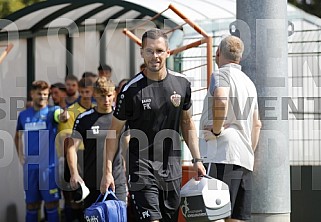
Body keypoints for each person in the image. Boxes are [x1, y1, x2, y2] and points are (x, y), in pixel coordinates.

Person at [100, 28, 206, 222]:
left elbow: (187, 122)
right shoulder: (131, 90)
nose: (154, 56)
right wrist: (107, 172)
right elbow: (113, 132)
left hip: (171, 169)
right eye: (149, 51)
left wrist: (197, 159)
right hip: (142, 168)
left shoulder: (182, 84)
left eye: (159, 51)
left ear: (168, 52)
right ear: (141, 52)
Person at [199, 35, 262, 222]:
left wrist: (217, 130)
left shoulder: (220, 74)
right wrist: (247, 150)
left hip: (220, 155)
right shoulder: (249, 83)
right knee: (236, 218)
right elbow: (257, 124)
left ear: (217, 53)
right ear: (240, 58)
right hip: (243, 159)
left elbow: (220, 98)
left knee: (214, 217)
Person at [66, 77, 127, 209]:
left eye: (109, 95)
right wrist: (74, 173)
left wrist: (131, 175)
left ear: (115, 94)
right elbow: (71, 148)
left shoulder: (121, 118)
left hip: (117, 181)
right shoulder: (84, 119)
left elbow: (128, 147)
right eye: (102, 96)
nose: (106, 100)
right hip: (92, 182)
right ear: (94, 95)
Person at [14, 80, 65, 222]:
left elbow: (61, 116)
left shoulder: (52, 111)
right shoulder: (24, 115)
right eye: (39, 94)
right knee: (31, 206)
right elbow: (17, 137)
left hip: (49, 168)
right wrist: (21, 156)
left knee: (52, 204)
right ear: (32, 94)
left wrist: (64, 114)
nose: (42, 97)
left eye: (45, 94)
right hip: (30, 169)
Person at [58, 77, 95, 221]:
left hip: (94, 155)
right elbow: (69, 139)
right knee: (76, 197)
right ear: (79, 91)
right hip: (78, 156)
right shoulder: (71, 111)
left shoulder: (97, 108)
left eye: (89, 91)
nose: (86, 94)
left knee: (92, 195)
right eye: (83, 91)